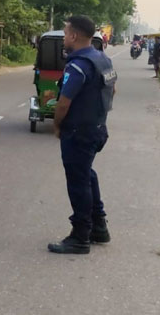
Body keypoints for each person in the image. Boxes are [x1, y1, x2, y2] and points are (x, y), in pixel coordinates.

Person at [48, 15, 117, 255]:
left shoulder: (78, 65)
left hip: (79, 131)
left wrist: (58, 126)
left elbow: (64, 102)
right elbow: (113, 90)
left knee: (78, 183)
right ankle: (99, 227)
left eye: (66, 33)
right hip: (97, 128)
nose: (65, 37)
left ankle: (80, 236)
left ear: (74, 36)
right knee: (87, 174)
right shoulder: (101, 60)